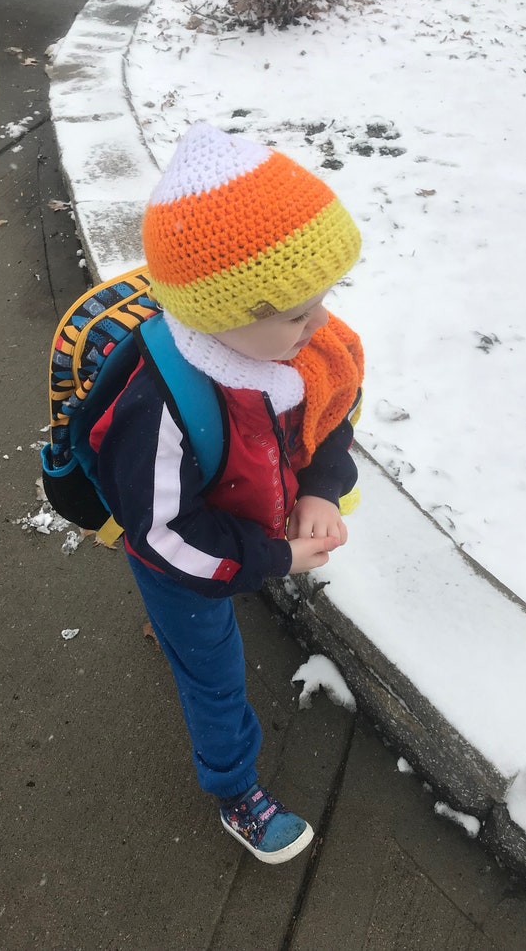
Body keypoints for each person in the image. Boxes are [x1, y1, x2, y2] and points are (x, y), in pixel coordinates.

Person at [90, 123, 364, 864]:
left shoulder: (295, 349)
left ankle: (171, 626)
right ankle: (235, 789)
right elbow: (167, 535)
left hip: (239, 525)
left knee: (196, 623)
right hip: (181, 549)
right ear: (224, 313)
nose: (321, 324)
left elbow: (330, 416)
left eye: (323, 299)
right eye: (299, 311)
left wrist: (322, 489)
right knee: (212, 672)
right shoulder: (161, 405)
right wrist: (273, 556)